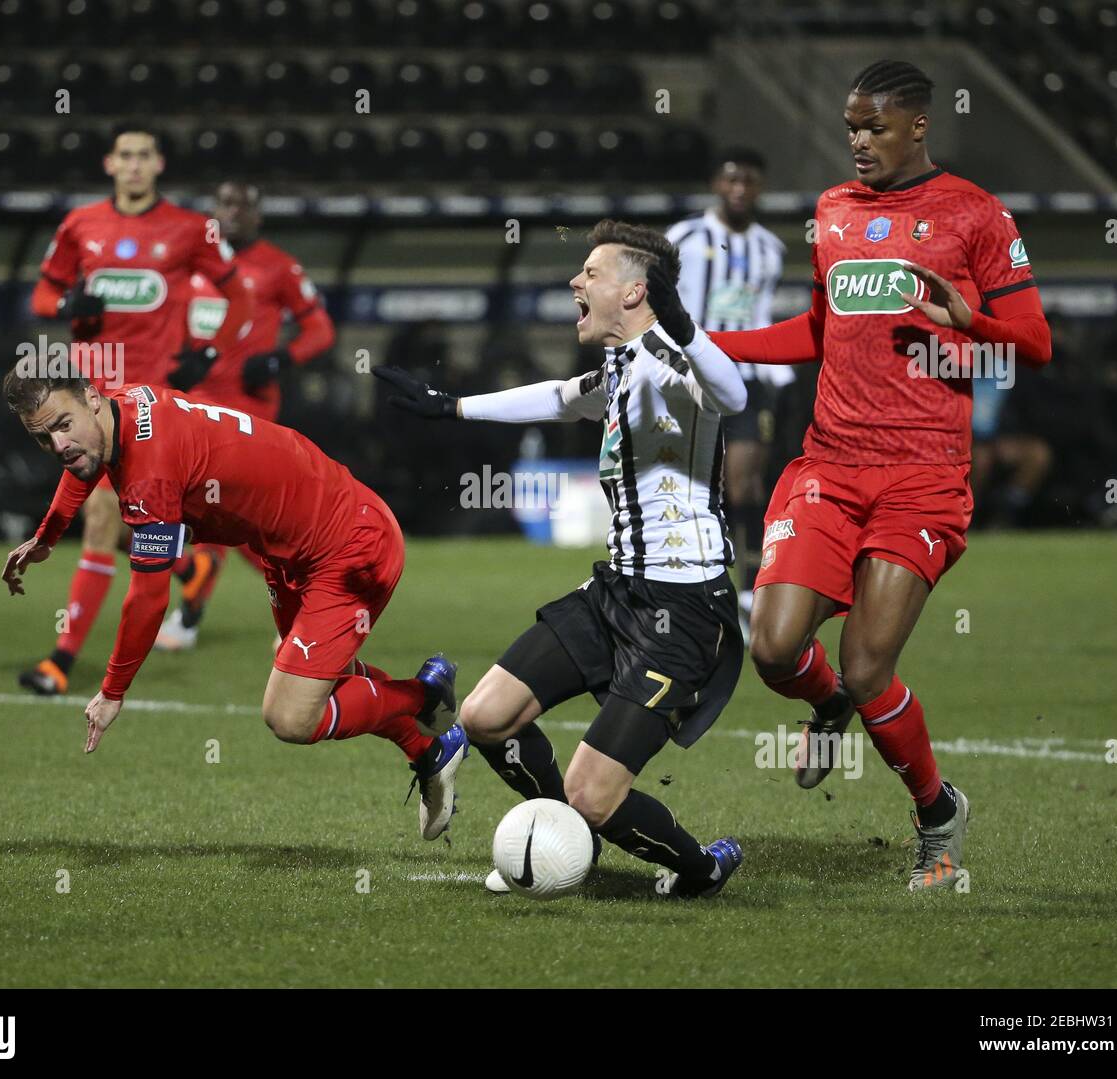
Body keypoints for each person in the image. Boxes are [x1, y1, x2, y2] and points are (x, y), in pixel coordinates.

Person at [644, 60, 1052, 891]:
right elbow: (818, 330)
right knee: (774, 646)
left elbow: (1036, 343)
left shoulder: (974, 213)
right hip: (829, 463)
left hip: (922, 476)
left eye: (873, 128)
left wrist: (967, 321)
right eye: (850, 129)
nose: (858, 142)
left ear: (917, 126)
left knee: (870, 666)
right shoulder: (831, 212)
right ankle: (827, 704)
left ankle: (936, 813)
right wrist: (708, 342)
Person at [375, 220, 750, 898]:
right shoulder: (618, 368)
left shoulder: (677, 363)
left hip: (684, 609)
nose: (576, 282)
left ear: (637, 291)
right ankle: (569, 843)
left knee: (595, 792)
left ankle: (700, 870)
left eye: (591, 273)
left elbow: (736, 395)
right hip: (614, 594)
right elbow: (554, 398)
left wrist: (687, 326)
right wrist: (450, 406)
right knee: (485, 717)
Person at [0, 369, 467, 841]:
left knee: (291, 717)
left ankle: (427, 696)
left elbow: (147, 599)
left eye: (62, 425)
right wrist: (48, 535)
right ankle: (429, 752)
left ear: (92, 399)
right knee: (313, 678)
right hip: (291, 548)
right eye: (43, 438)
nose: (58, 445)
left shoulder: (151, 474)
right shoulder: (123, 405)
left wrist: (113, 690)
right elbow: (83, 459)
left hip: (347, 545)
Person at [19, 123, 254, 695]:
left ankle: (60, 662)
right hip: (86, 401)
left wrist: (207, 354)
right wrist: (68, 302)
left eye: (143, 155)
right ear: (109, 163)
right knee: (119, 521)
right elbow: (42, 295)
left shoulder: (189, 229)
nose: (133, 165)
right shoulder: (81, 225)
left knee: (99, 521)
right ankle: (187, 567)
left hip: (145, 407)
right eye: (124, 155)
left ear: (158, 164)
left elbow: (239, 296)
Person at [155, 180, 337, 651]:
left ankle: (200, 615)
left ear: (259, 215)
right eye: (224, 203)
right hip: (194, 404)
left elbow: (319, 330)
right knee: (214, 514)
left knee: (227, 513)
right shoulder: (193, 261)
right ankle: (304, 599)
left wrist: (279, 360)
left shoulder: (278, 267)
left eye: (243, 205)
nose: (232, 212)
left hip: (247, 407)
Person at [666, 147, 791, 637]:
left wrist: (777, 380)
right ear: (718, 183)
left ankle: (749, 588)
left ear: (759, 188)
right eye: (732, 179)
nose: (740, 189)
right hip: (690, 380)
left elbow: (761, 315)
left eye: (750, 182)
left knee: (745, 482)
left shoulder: (769, 249)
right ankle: (693, 584)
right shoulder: (685, 238)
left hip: (748, 379)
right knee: (700, 483)